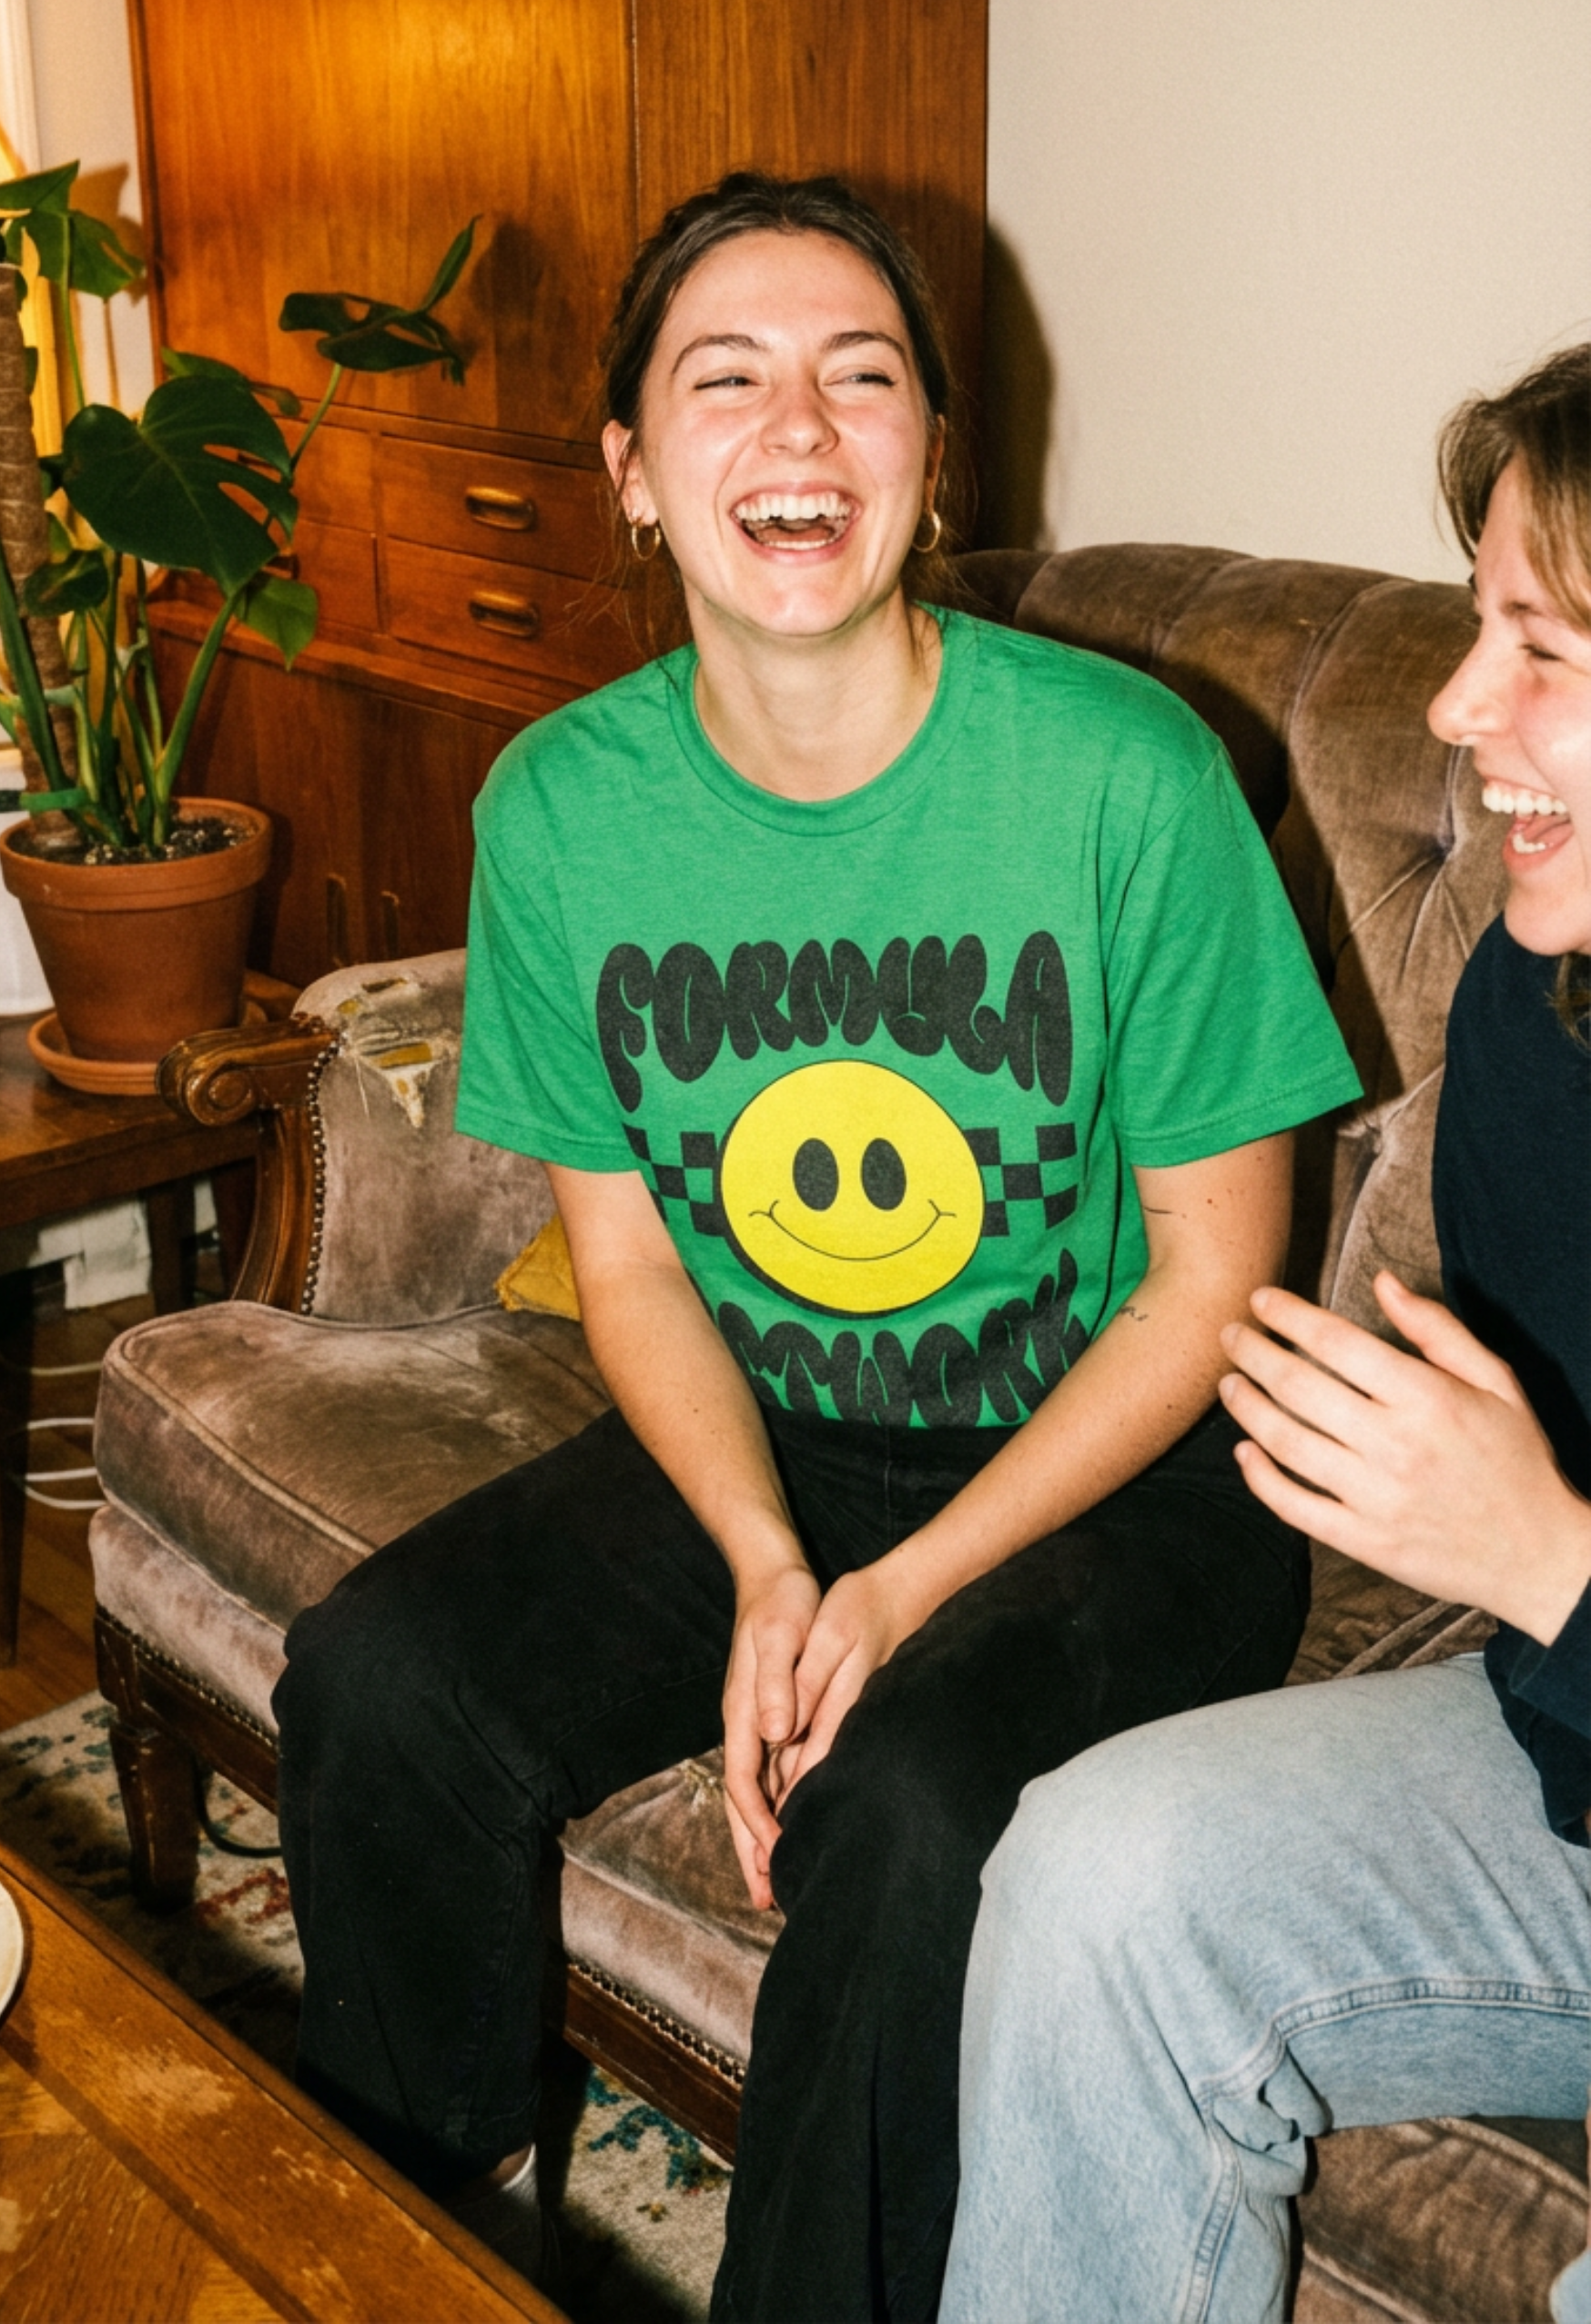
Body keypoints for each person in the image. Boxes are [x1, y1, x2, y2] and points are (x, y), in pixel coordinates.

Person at [271, 172, 1357, 2324]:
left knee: (912, 1809)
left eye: (862, 380)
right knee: (382, 1684)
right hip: (788, 1430)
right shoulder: (565, 808)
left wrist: (895, 1598)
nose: (799, 428)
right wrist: (775, 1566)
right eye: (725, 378)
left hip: (1134, 1468)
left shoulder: (1124, 778)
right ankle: (405, 2251)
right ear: (634, 473)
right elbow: (644, 1269)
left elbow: (1215, 1289)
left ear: (931, 462)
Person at [938, 343, 1591, 2324]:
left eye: (1543, 650)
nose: (1458, 706)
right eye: (1478, 628)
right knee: (1095, 1875)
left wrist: (1548, 1557)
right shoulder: (1529, 1017)